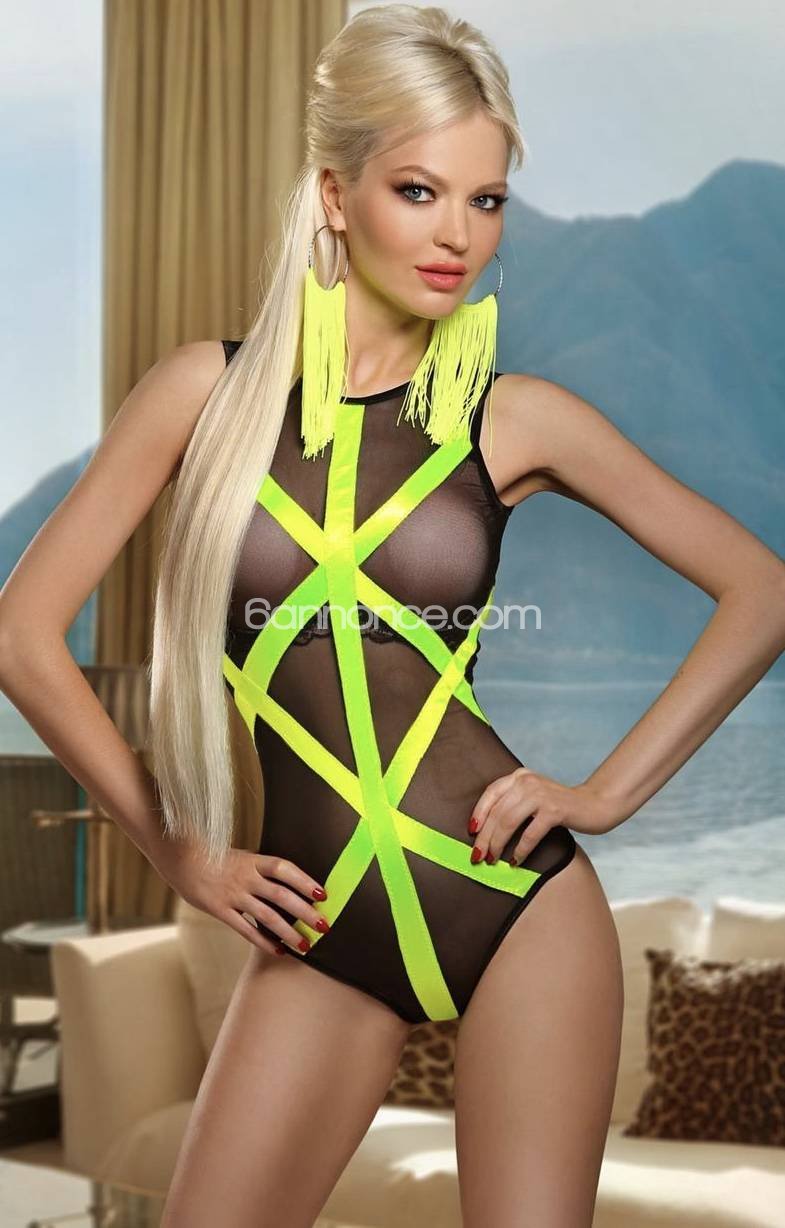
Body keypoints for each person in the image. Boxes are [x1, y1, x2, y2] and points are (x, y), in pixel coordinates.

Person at [2, 6, 785, 1227]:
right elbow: (21, 634)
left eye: (486, 200)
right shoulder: (202, 396)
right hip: (323, 925)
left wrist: (602, 794)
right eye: (419, 190)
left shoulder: (513, 418)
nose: (456, 235)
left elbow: (760, 588)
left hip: (516, 906)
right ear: (335, 194)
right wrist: (176, 847)